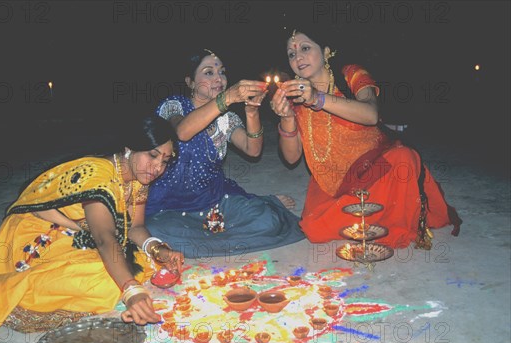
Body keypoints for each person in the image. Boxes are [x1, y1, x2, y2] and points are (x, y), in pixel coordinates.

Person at [0, 115, 184, 343]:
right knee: (111, 277)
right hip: (39, 232)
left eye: (165, 160)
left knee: (139, 263)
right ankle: (15, 292)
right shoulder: (99, 177)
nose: (157, 167)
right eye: (152, 155)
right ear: (129, 149)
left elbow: (135, 227)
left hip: (78, 231)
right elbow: (104, 238)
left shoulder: (138, 180)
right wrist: (132, 291)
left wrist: (157, 248)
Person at [270, 30, 461, 249]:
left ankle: (383, 214)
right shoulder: (294, 95)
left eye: (305, 48)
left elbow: (371, 115)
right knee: (314, 228)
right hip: (333, 180)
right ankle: (377, 215)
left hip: (377, 170)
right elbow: (292, 158)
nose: (298, 58)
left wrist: (317, 98)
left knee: (404, 158)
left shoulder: (350, 75)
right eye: (291, 54)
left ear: (326, 52)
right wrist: (286, 118)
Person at [144, 49, 305, 259]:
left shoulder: (225, 118)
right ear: (190, 82)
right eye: (208, 73)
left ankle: (208, 236)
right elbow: (182, 132)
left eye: (222, 72)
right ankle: (211, 235)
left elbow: (253, 149)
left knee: (269, 220)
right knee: (157, 231)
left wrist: (251, 112)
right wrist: (227, 97)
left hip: (213, 201)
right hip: (171, 206)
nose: (219, 78)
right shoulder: (174, 106)